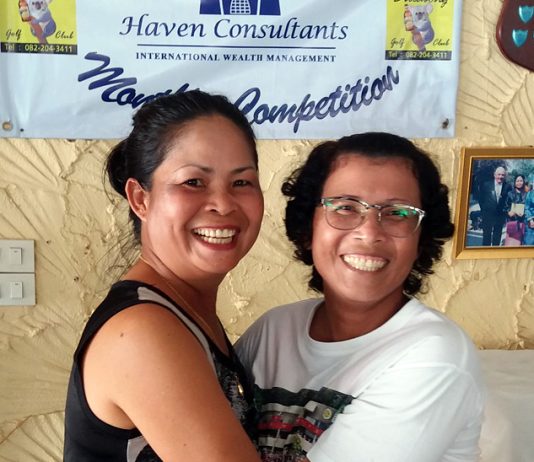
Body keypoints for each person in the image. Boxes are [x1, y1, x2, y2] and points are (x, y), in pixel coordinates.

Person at [236, 133, 485, 462]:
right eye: (345, 207)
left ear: (421, 241)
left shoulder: (435, 355)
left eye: (397, 213)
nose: (369, 233)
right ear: (308, 229)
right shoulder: (273, 330)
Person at [63, 90, 265, 461]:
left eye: (241, 182)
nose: (223, 204)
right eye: (193, 182)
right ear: (141, 199)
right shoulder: (142, 332)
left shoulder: (187, 309)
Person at [477, 165, 511, 246]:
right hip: (487, 215)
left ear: (505, 176)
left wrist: (505, 212)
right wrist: (484, 211)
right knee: (486, 237)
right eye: (499, 174)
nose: (500, 177)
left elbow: (509, 201)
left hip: (500, 216)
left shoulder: (507, 186)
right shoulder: (486, 185)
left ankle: (495, 251)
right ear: (494, 175)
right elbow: (481, 199)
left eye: (502, 175)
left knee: (497, 238)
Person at [503, 174, 527, 246]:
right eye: (517, 181)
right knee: (512, 243)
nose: (519, 183)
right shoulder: (510, 194)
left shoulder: (527, 194)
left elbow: (529, 207)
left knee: (522, 243)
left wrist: (525, 213)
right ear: (514, 182)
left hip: (524, 222)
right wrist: (509, 212)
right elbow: (505, 207)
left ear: (523, 182)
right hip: (512, 221)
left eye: (521, 181)